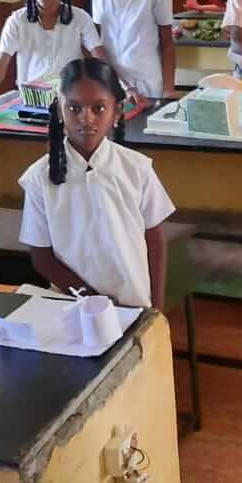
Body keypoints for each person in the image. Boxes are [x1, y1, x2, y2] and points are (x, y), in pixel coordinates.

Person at [19, 59, 175, 310]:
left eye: (98, 108)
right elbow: (41, 256)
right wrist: (92, 300)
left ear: (117, 111)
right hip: (74, 306)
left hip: (135, 303)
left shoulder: (138, 168)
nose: (86, 118)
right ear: (60, 110)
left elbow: (154, 238)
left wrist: (156, 309)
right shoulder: (39, 178)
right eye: (74, 108)